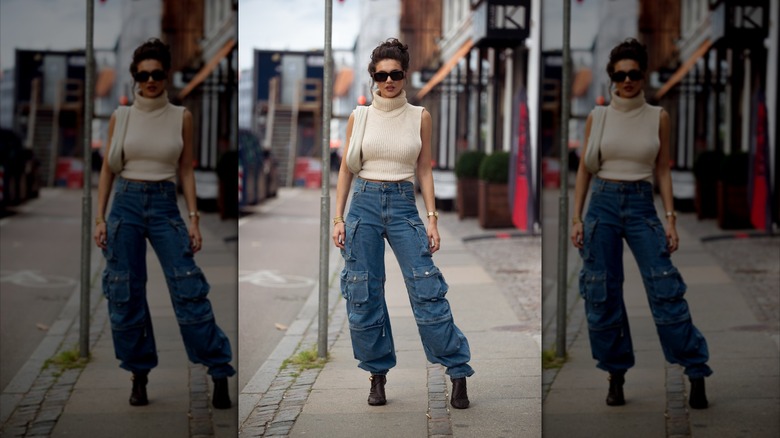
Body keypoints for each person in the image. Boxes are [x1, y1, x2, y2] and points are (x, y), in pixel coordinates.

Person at [332, 38, 474, 409]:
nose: (389, 80)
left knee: (426, 287)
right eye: (382, 74)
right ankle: (376, 376)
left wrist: (432, 218)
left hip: (402, 204)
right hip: (362, 204)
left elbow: (424, 167)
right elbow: (346, 171)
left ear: (405, 74)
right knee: (363, 293)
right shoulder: (358, 117)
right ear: (373, 77)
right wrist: (338, 217)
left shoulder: (419, 116)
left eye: (395, 73)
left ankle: (457, 371)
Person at [93, 38, 235, 409]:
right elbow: (108, 170)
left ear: (165, 75)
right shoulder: (120, 117)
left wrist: (193, 219)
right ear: (135, 77)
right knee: (126, 293)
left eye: (157, 73)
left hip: (164, 205)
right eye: (144, 74)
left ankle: (218, 368)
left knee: (188, 287)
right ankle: (138, 375)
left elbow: (185, 169)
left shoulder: (180, 116)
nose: (151, 80)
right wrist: (99, 218)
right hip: (124, 205)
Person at [570, 38, 711, 409]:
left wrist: (670, 219)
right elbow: (584, 170)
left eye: (633, 73)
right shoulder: (597, 117)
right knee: (602, 293)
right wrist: (576, 218)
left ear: (643, 75)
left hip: (641, 204)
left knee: (665, 287)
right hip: (601, 204)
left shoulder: (657, 117)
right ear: (612, 76)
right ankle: (615, 375)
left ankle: (695, 369)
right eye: (620, 74)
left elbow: (662, 168)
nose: (627, 80)